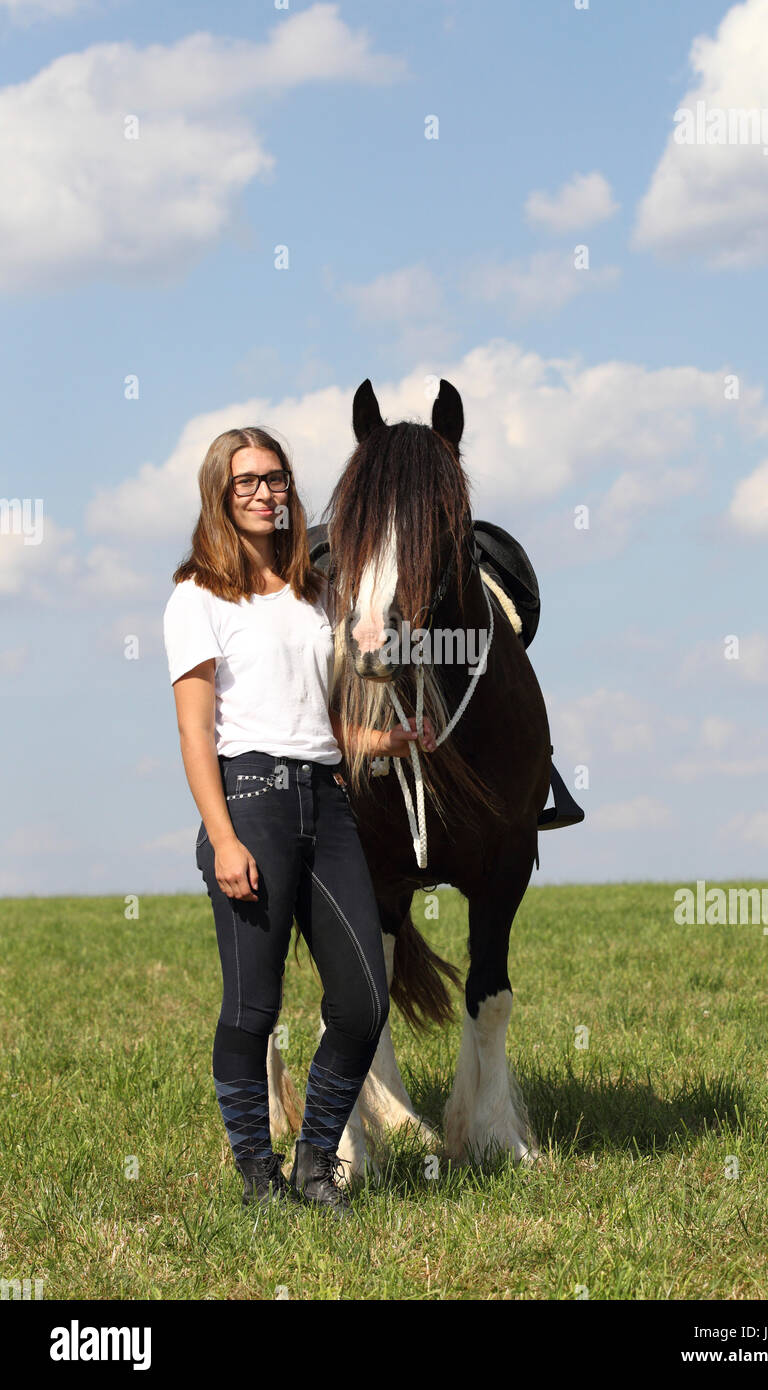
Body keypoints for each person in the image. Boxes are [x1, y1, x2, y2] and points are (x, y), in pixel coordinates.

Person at [162, 425, 435, 1219]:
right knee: (254, 1007)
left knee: (362, 998)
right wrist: (221, 836)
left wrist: (384, 739)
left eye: (275, 479)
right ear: (221, 494)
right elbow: (196, 731)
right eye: (247, 481)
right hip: (248, 801)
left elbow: (316, 720)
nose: (265, 493)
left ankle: (316, 1160)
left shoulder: (316, 596)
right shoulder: (196, 596)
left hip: (328, 800)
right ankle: (257, 1177)